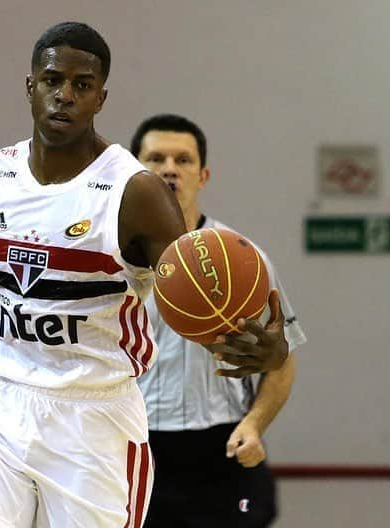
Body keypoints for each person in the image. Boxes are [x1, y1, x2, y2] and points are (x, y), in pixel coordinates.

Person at [0, 24, 289, 528]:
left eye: (82, 85)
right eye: (52, 80)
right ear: (31, 86)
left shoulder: (135, 193)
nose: (64, 96)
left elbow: (195, 300)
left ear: (101, 97)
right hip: (1, 405)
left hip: (93, 421)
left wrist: (256, 347)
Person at [130, 114, 307, 527]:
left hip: (222, 445)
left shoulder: (245, 260)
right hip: (135, 443)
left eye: (183, 159)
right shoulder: (112, 263)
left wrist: (255, 423)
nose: (170, 168)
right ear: (135, 172)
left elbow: (283, 359)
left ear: (203, 175)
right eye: (156, 158)